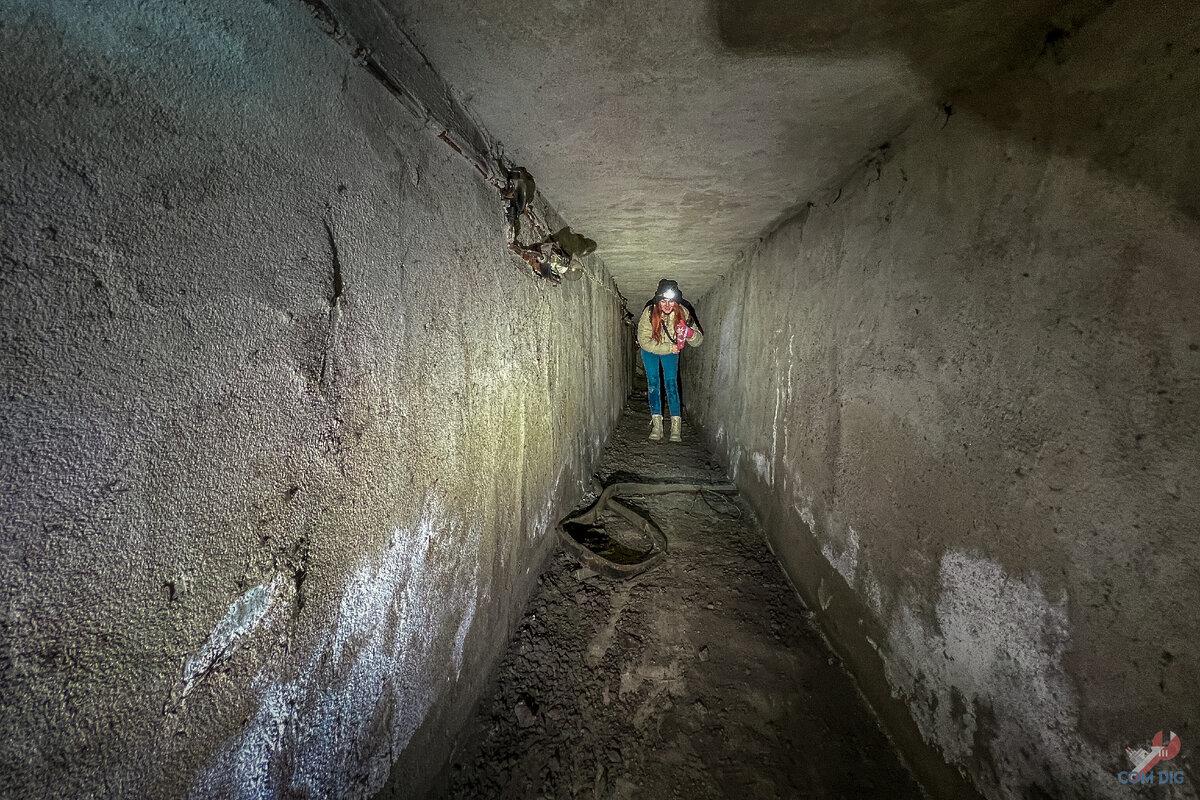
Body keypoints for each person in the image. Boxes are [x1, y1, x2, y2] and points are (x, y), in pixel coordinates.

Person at [636, 279, 704, 442]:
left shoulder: (684, 313)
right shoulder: (649, 312)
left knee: (671, 383)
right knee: (653, 383)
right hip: (651, 350)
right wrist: (668, 349)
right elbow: (643, 340)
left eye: (671, 301)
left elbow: (698, 340)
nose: (667, 305)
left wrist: (690, 334)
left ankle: (675, 427)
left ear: (676, 301)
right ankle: (657, 426)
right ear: (658, 301)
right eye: (663, 301)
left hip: (671, 350)